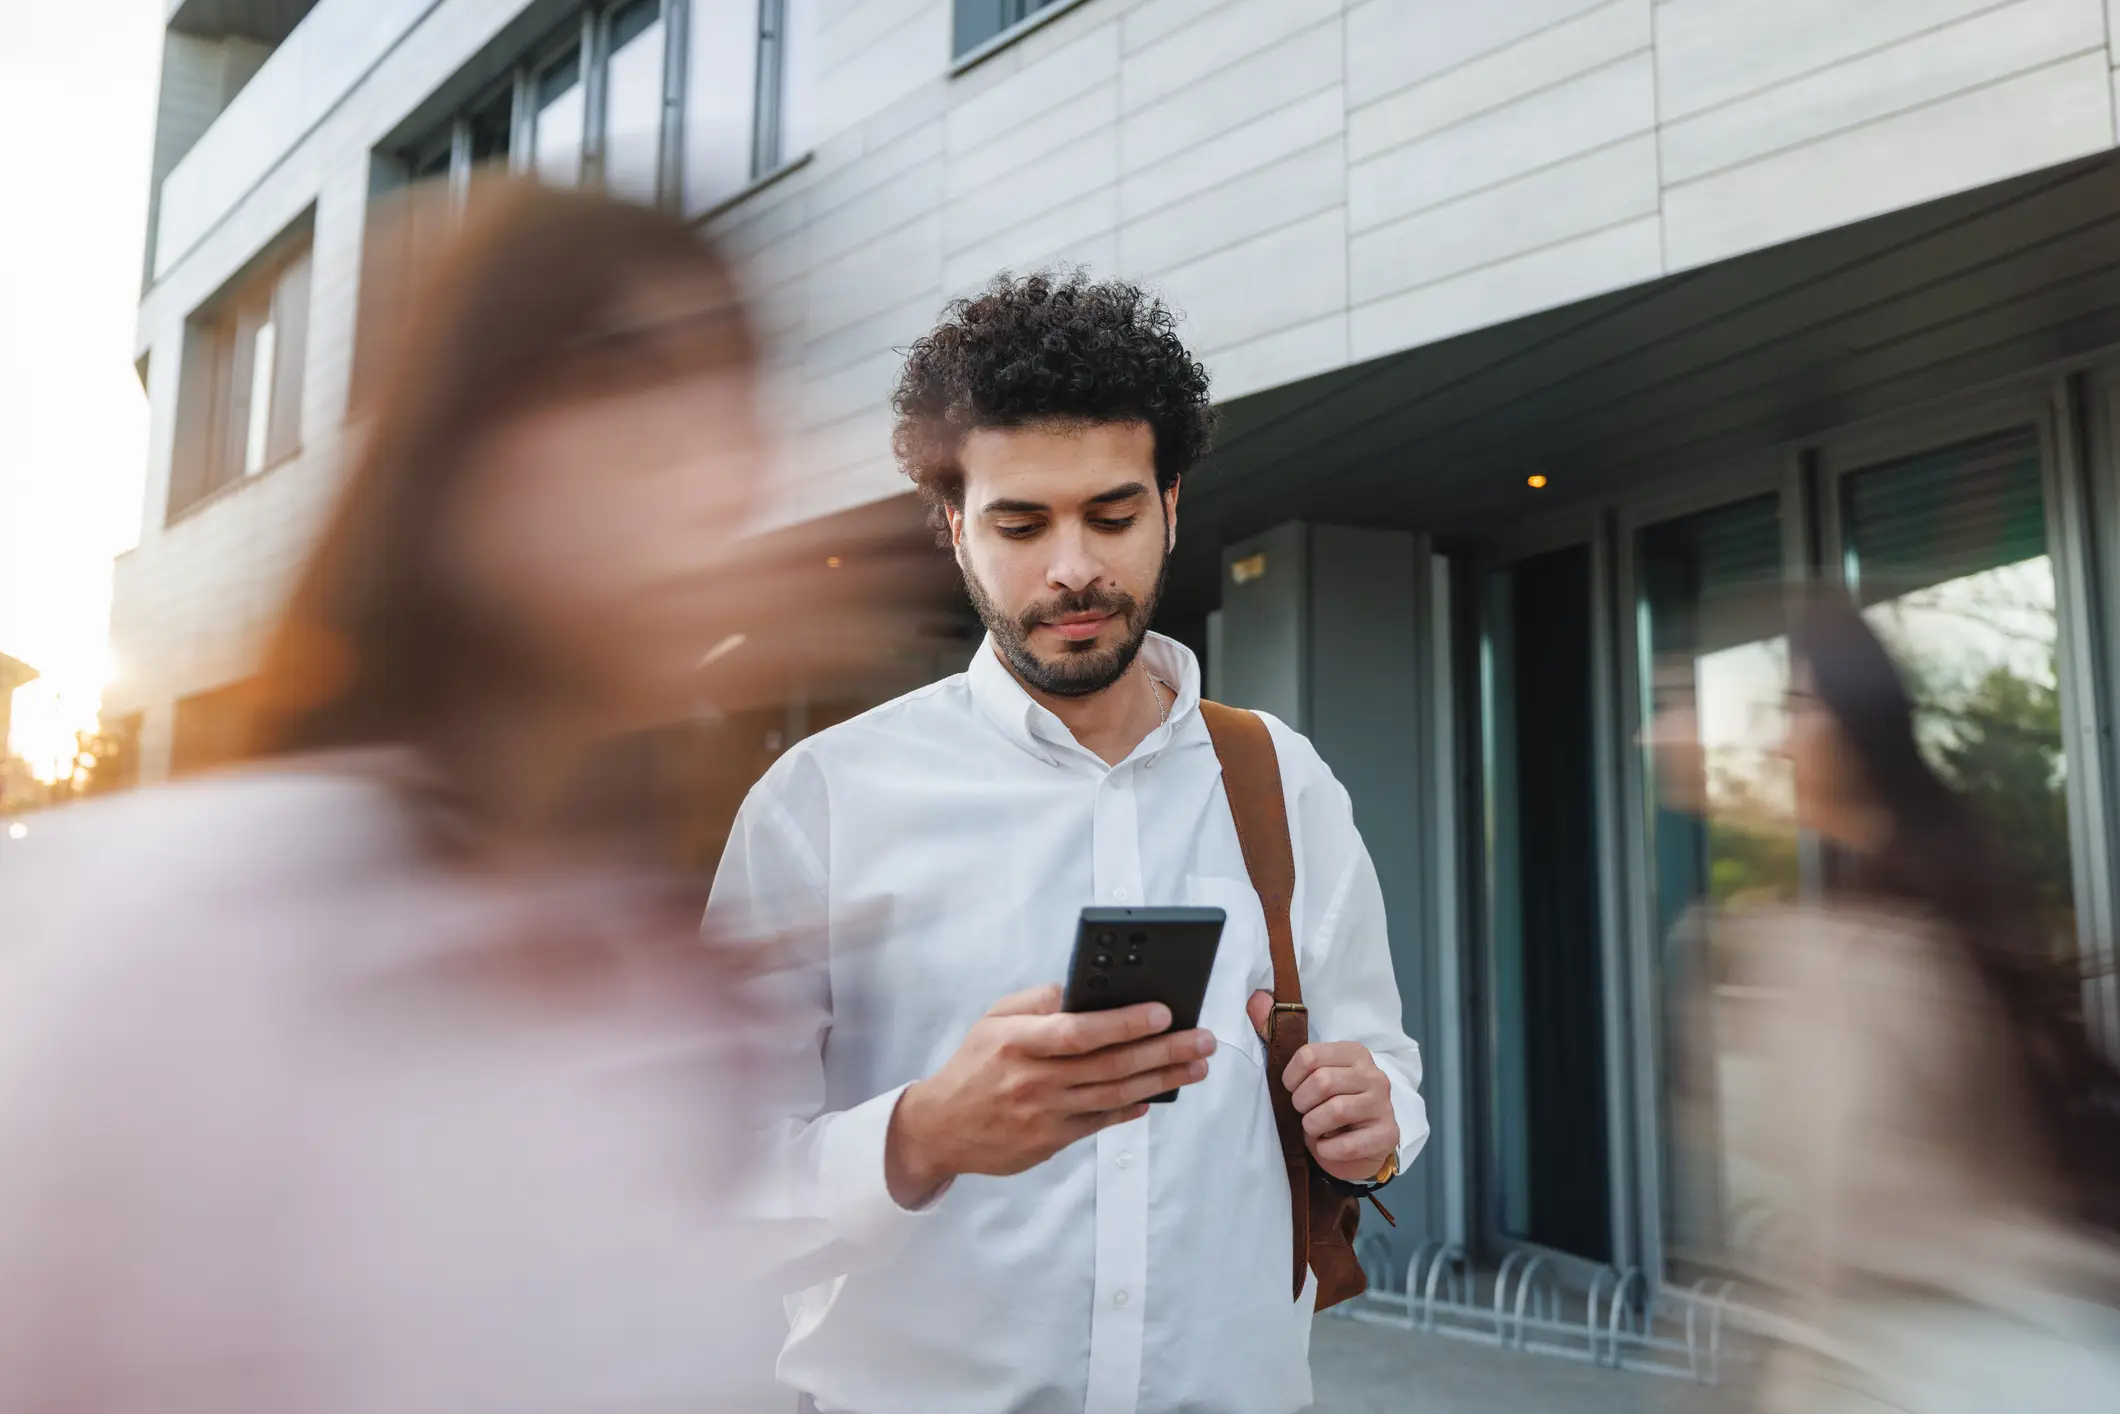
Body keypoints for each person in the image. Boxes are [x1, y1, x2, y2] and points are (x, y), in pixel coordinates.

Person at [0, 180, 802, 1412]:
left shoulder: (657, 979)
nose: (714, 477)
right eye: (629, 376)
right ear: (464, 433)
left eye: (734, 401)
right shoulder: (190, 921)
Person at [707, 272, 1429, 1414]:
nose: (1072, 569)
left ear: (1170, 505)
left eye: (1110, 513)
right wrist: (919, 1134)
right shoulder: (820, 803)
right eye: (1019, 522)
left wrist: (1378, 1119)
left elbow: (1380, 1058)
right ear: (952, 527)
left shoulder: (1282, 780)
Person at [1720, 595, 2120, 1412]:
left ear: (1852, 729)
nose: (1778, 742)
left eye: (1796, 710)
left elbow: (1864, 1231)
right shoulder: (1929, 905)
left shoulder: (1874, 951)